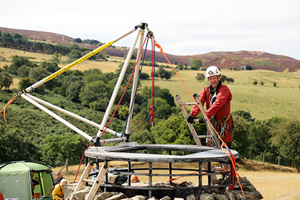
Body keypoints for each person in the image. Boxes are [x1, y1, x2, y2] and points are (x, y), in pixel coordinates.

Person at [188, 66, 233, 148]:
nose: (212, 81)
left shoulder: (224, 90)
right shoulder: (206, 90)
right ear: (208, 80)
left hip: (224, 123)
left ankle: (227, 161)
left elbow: (218, 103)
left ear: (219, 77)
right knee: (210, 147)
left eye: (214, 78)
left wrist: (205, 115)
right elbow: (199, 101)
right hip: (212, 122)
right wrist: (192, 115)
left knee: (226, 148)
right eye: (210, 79)